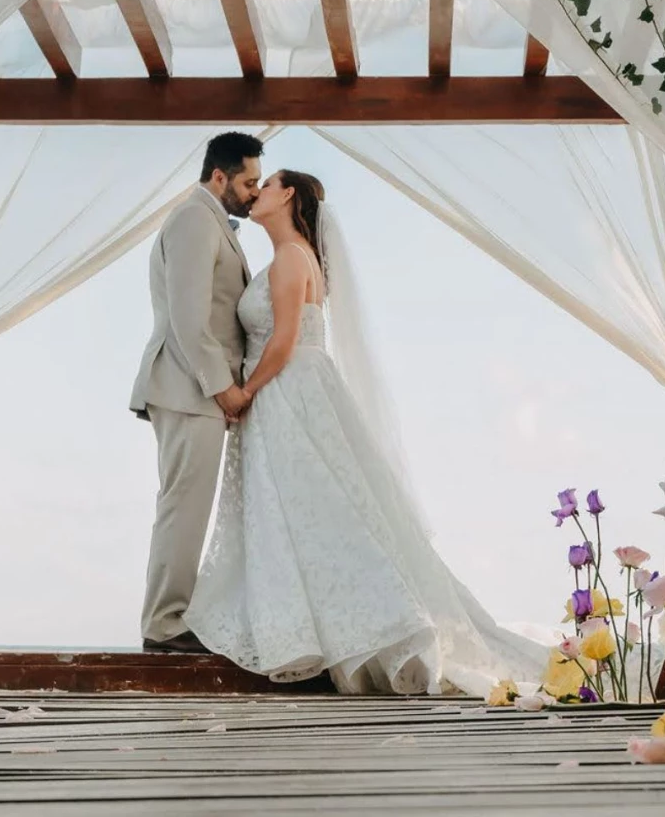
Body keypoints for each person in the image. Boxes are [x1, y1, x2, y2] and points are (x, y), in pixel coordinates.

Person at [184, 169, 547, 695]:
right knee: (313, 511)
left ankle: (375, 628)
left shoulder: (290, 258)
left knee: (313, 509)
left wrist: (245, 392)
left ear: (288, 195)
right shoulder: (292, 257)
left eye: (268, 184)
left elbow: (283, 341)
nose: (257, 192)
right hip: (293, 388)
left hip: (286, 388)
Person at [130, 130, 264, 654]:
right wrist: (223, 388)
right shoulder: (193, 219)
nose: (254, 192)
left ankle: (169, 618)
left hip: (194, 389)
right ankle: (164, 624)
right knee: (183, 507)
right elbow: (189, 318)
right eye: (248, 183)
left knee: (186, 504)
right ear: (219, 176)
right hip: (188, 387)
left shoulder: (211, 222)